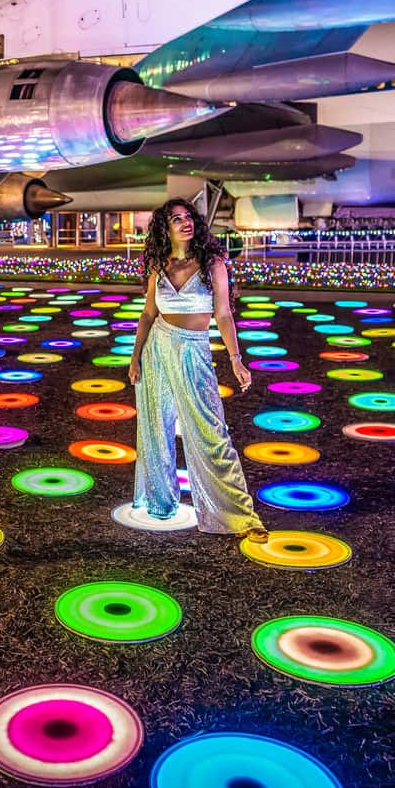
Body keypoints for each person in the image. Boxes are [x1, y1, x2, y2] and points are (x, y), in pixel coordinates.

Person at [128, 198, 268, 541]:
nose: (185, 222)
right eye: (176, 219)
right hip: (156, 349)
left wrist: (236, 358)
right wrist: (135, 357)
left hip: (192, 350)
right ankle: (161, 503)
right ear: (166, 227)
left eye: (188, 217)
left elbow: (222, 314)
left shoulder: (211, 262)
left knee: (210, 431)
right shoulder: (160, 265)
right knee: (155, 426)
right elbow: (148, 314)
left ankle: (240, 517)